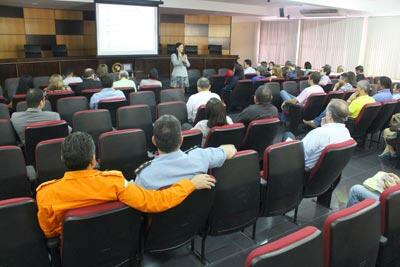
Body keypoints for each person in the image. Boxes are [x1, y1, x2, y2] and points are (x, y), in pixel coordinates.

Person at [36, 131, 216, 238]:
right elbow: (156, 202)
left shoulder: (45, 193)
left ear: (62, 159)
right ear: (93, 159)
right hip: (116, 244)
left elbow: (49, 232)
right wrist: (189, 184)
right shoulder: (115, 182)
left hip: (73, 254)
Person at [135, 115, 236, 189]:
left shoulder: (144, 176)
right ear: (181, 140)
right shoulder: (201, 156)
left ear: (154, 141)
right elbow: (231, 150)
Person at [285, 99, 351, 170]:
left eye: (326, 112)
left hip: (304, 169)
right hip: (325, 172)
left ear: (329, 115)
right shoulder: (346, 132)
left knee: (288, 135)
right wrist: (324, 127)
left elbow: (301, 154)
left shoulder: (318, 133)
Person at [306, 80, 375, 128]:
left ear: (361, 89)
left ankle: (316, 122)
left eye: (357, 87)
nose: (355, 89)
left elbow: (345, 112)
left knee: (332, 105)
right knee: (333, 101)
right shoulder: (372, 100)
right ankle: (316, 121)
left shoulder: (358, 101)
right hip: (362, 124)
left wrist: (350, 99)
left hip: (349, 122)